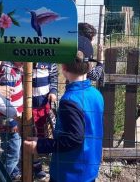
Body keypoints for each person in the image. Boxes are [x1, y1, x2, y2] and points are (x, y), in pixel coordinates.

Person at [24, 36, 104, 182]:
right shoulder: (96, 95)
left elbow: (73, 139)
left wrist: (40, 145)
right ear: (90, 67)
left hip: (69, 172)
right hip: (89, 167)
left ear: (63, 67)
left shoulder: (70, 100)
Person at [0, 61, 24, 180]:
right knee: (13, 153)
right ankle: (1, 177)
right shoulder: (8, 73)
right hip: (9, 122)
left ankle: (10, 172)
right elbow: (5, 102)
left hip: (12, 120)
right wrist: (12, 121)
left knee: (10, 149)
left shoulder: (14, 69)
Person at [31, 61, 58, 180]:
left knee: (46, 133)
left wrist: (53, 92)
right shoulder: (24, 60)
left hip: (44, 104)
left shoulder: (49, 61)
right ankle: (36, 167)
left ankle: (52, 161)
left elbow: (54, 80)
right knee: (31, 135)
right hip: (28, 106)